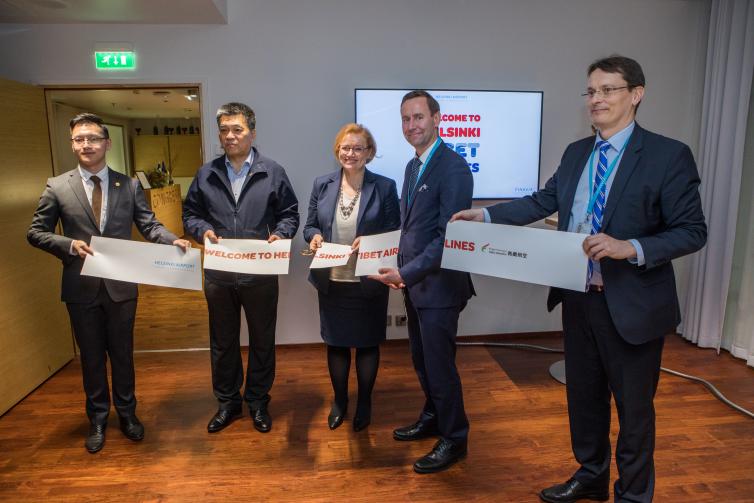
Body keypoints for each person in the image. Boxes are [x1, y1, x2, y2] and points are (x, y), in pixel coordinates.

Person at [452, 56, 707, 502]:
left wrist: (632, 247)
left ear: (636, 94)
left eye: (608, 90)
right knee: (584, 399)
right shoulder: (576, 153)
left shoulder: (668, 155)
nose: (597, 99)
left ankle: (632, 493)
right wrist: (487, 215)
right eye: (591, 91)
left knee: (634, 409)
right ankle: (590, 476)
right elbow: (543, 200)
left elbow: (692, 230)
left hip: (632, 303)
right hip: (578, 298)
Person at [27, 113, 190, 453]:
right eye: (79, 139)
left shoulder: (128, 185)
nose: (86, 144)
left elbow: (149, 225)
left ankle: (128, 414)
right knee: (90, 357)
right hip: (80, 286)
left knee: (122, 355)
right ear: (73, 144)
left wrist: (171, 240)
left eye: (92, 138)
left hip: (121, 285)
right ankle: (98, 419)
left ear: (107, 143)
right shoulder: (57, 186)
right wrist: (67, 245)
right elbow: (36, 233)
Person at [370, 90, 474, 473]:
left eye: (418, 117)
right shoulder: (414, 166)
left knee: (440, 365)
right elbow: (412, 229)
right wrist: (398, 267)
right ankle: (433, 417)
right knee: (421, 360)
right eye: (405, 119)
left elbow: (449, 238)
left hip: (441, 288)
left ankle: (455, 438)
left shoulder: (454, 168)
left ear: (436, 118)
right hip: (414, 284)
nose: (411, 125)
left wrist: (407, 272)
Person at [183, 102, 299, 434]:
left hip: (260, 272)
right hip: (218, 274)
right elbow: (190, 213)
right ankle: (228, 403)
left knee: (263, 339)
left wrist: (282, 233)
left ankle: (259, 402)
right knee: (223, 341)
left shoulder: (272, 171)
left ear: (252, 132)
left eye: (238, 129)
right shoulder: (206, 173)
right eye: (224, 130)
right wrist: (200, 230)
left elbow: (289, 213)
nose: (230, 136)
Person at [303, 123, 400, 432]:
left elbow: (395, 231)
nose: (351, 153)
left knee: (368, 344)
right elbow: (309, 226)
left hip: (368, 279)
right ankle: (340, 401)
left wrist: (370, 243)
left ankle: (365, 401)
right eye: (346, 147)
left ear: (369, 153)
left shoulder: (384, 187)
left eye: (358, 148)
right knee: (336, 344)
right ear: (338, 150)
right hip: (331, 279)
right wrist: (315, 237)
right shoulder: (322, 184)